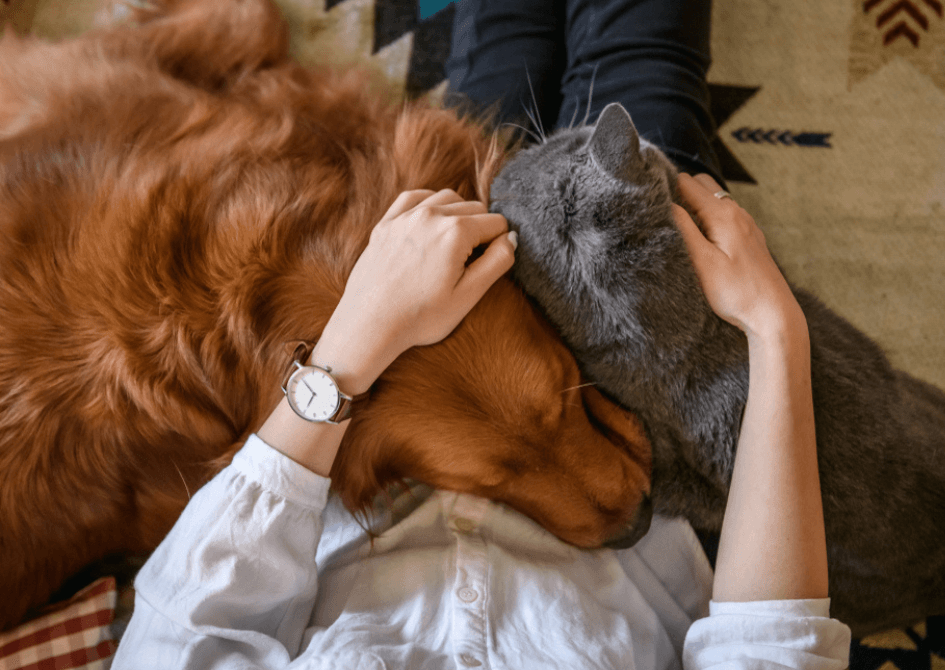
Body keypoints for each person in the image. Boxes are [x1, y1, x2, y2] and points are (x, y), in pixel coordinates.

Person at [111, 0, 852, 667]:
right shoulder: (615, 487)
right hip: (639, 368)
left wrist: (350, 345)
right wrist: (772, 329)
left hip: (401, 356)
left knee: (500, 41)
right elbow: (770, 649)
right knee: (643, 59)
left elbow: (182, 632)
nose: (611, 509)